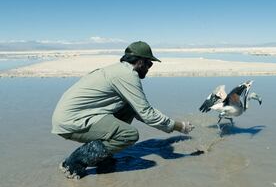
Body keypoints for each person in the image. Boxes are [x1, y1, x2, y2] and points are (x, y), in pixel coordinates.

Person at [52, 41, 194, 179]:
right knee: (129, 134)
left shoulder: (117, 70)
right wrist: (179, 126)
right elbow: (147, 113)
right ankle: (73, 163)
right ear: (140, 62)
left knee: (128, 107)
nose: (149, 68)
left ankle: (102, 158)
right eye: (149, 64)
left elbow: (139, 111)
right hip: (71, 121)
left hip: (75, 116)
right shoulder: (127, 75)